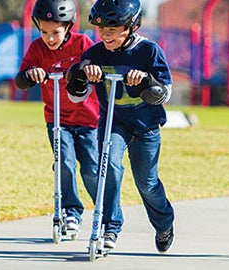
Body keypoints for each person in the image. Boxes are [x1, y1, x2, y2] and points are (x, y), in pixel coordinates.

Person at [65, 0, 175, 253]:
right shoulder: (94, 55)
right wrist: (81, 76)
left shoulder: (148, 52)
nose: (106, 33)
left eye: (114, 28)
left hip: (146, 127)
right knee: (109, 168)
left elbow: (165, 92)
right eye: (102, 28)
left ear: (132, 26)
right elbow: (76, 97)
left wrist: (146, 81)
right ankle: (109, 227)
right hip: (114, 123)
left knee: (147, 183)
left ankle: (164, 223)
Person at [14, 0, 99, 234]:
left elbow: (97, 71)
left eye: (55, 32)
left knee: (91, 169)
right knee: (65, 164)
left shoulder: (83, 44)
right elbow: (20, 80)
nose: (49, 38)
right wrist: (32, 74)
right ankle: (71, 212)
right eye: (44, 32)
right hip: (57, 119)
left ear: (69, 27)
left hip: (89, 120)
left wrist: (88, 72)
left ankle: (103, 210)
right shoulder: (36, 49)